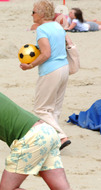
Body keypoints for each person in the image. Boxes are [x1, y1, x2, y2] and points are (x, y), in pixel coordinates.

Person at [21, 0, 72, 151]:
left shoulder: (42, 29)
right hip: (64, 68)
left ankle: (61, 136)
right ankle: (54, 140)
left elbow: (46, 54)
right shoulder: (58, 26)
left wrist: (29, 65)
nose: (32, 14)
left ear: (42, 14)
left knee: (41, 110)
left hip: (51, 70)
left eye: (34, 12)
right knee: (54, 109)